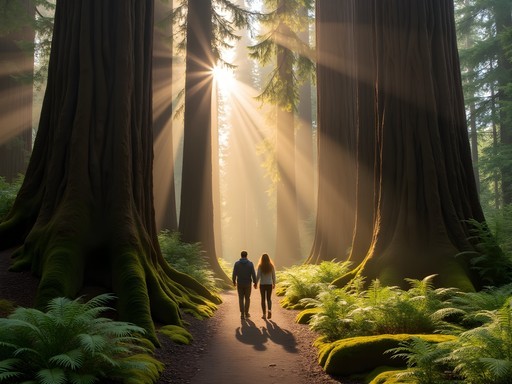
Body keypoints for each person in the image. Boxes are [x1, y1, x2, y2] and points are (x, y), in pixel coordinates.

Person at [232, 250, 257, 319]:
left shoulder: (236, 264)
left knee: (240, 298)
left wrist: (234, 281)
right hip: (248, 284)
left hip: (240, 283)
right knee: (247, 298)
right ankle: (246, 313)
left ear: (241, 255)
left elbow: (234, 273)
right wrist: (255, 282)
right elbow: (253, 274)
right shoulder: (250, 264)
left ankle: (242, 314)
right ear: (246, 256)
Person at [254, 253, 276, 319]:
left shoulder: (260, 266)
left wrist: (256, 283)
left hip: (262, 285)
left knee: (263, 299)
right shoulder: (271, 266)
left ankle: (264, 314)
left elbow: (258, 276)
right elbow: (273, 276)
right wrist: (274, 283)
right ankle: (269, 311)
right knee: (269, 298)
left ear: (262, 259)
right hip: (269, 284)